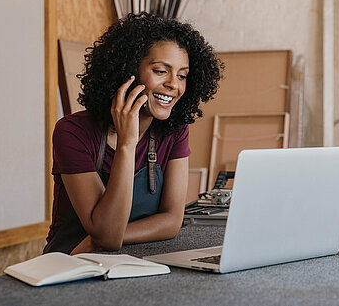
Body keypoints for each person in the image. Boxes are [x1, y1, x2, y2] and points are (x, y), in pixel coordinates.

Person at [44, 13, 222, 254]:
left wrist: (107, 237)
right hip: (72, 265)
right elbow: (106, 235)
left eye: (182, 75)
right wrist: (127, 143)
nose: (174, 84)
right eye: (161, 71)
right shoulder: (73, 132)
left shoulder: (174, 131)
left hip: (133, 259)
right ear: (127, 70)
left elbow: (171, 221)